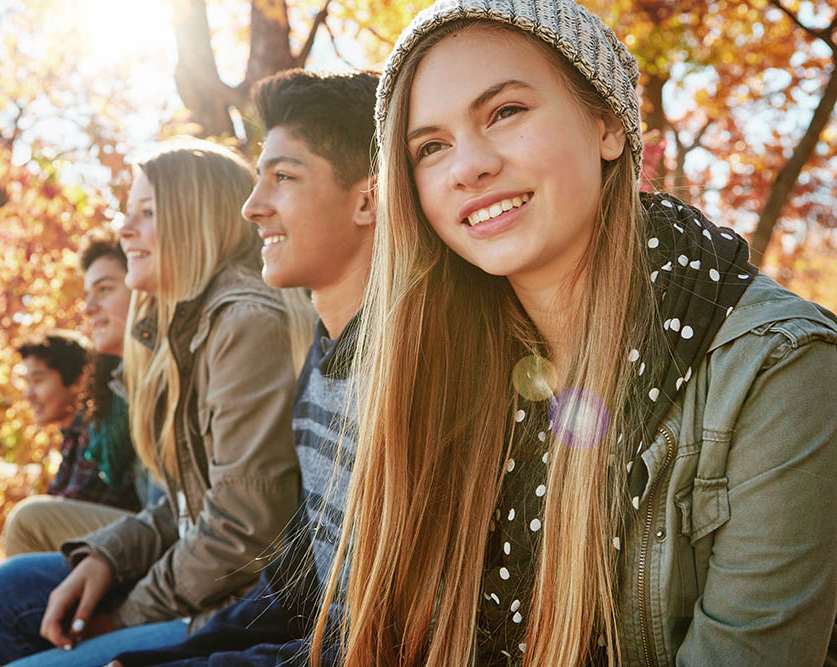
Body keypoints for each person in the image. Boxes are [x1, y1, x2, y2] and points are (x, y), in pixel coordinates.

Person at [300, 1, 837, 666]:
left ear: (607, 123)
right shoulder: (436, 364)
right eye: (431, 146)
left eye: (505, 112)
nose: (467, 166)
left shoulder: (778, 369)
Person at [0, 138, 309, 667]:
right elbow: (186, 503)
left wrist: (128, 614)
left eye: (148, 213)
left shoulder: (243, 324)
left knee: (25, 634)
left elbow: (242, 530)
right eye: (128, 213)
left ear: (199, 221)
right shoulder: (186, 328)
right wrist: (106, 555)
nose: (125, 230)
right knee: (5, 594)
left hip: (234, 609)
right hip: (203, 582)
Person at [107, 68, 379, 667]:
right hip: (253, 618)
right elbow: (301, 569)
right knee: (14, 594)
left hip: (239, 604)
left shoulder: (400, 371)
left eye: (282, 177)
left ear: (367, 197)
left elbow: (383, 638)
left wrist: (147, 627)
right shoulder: (326, 348)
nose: (252, 208)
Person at [3, 230, 144, 556]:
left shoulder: (113, 407)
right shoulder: (108, 403)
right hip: (129, 539)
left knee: (28, 522)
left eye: (104, 289)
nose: (88, 307)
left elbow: (83, 502)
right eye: (87, 294)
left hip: (144, 542)